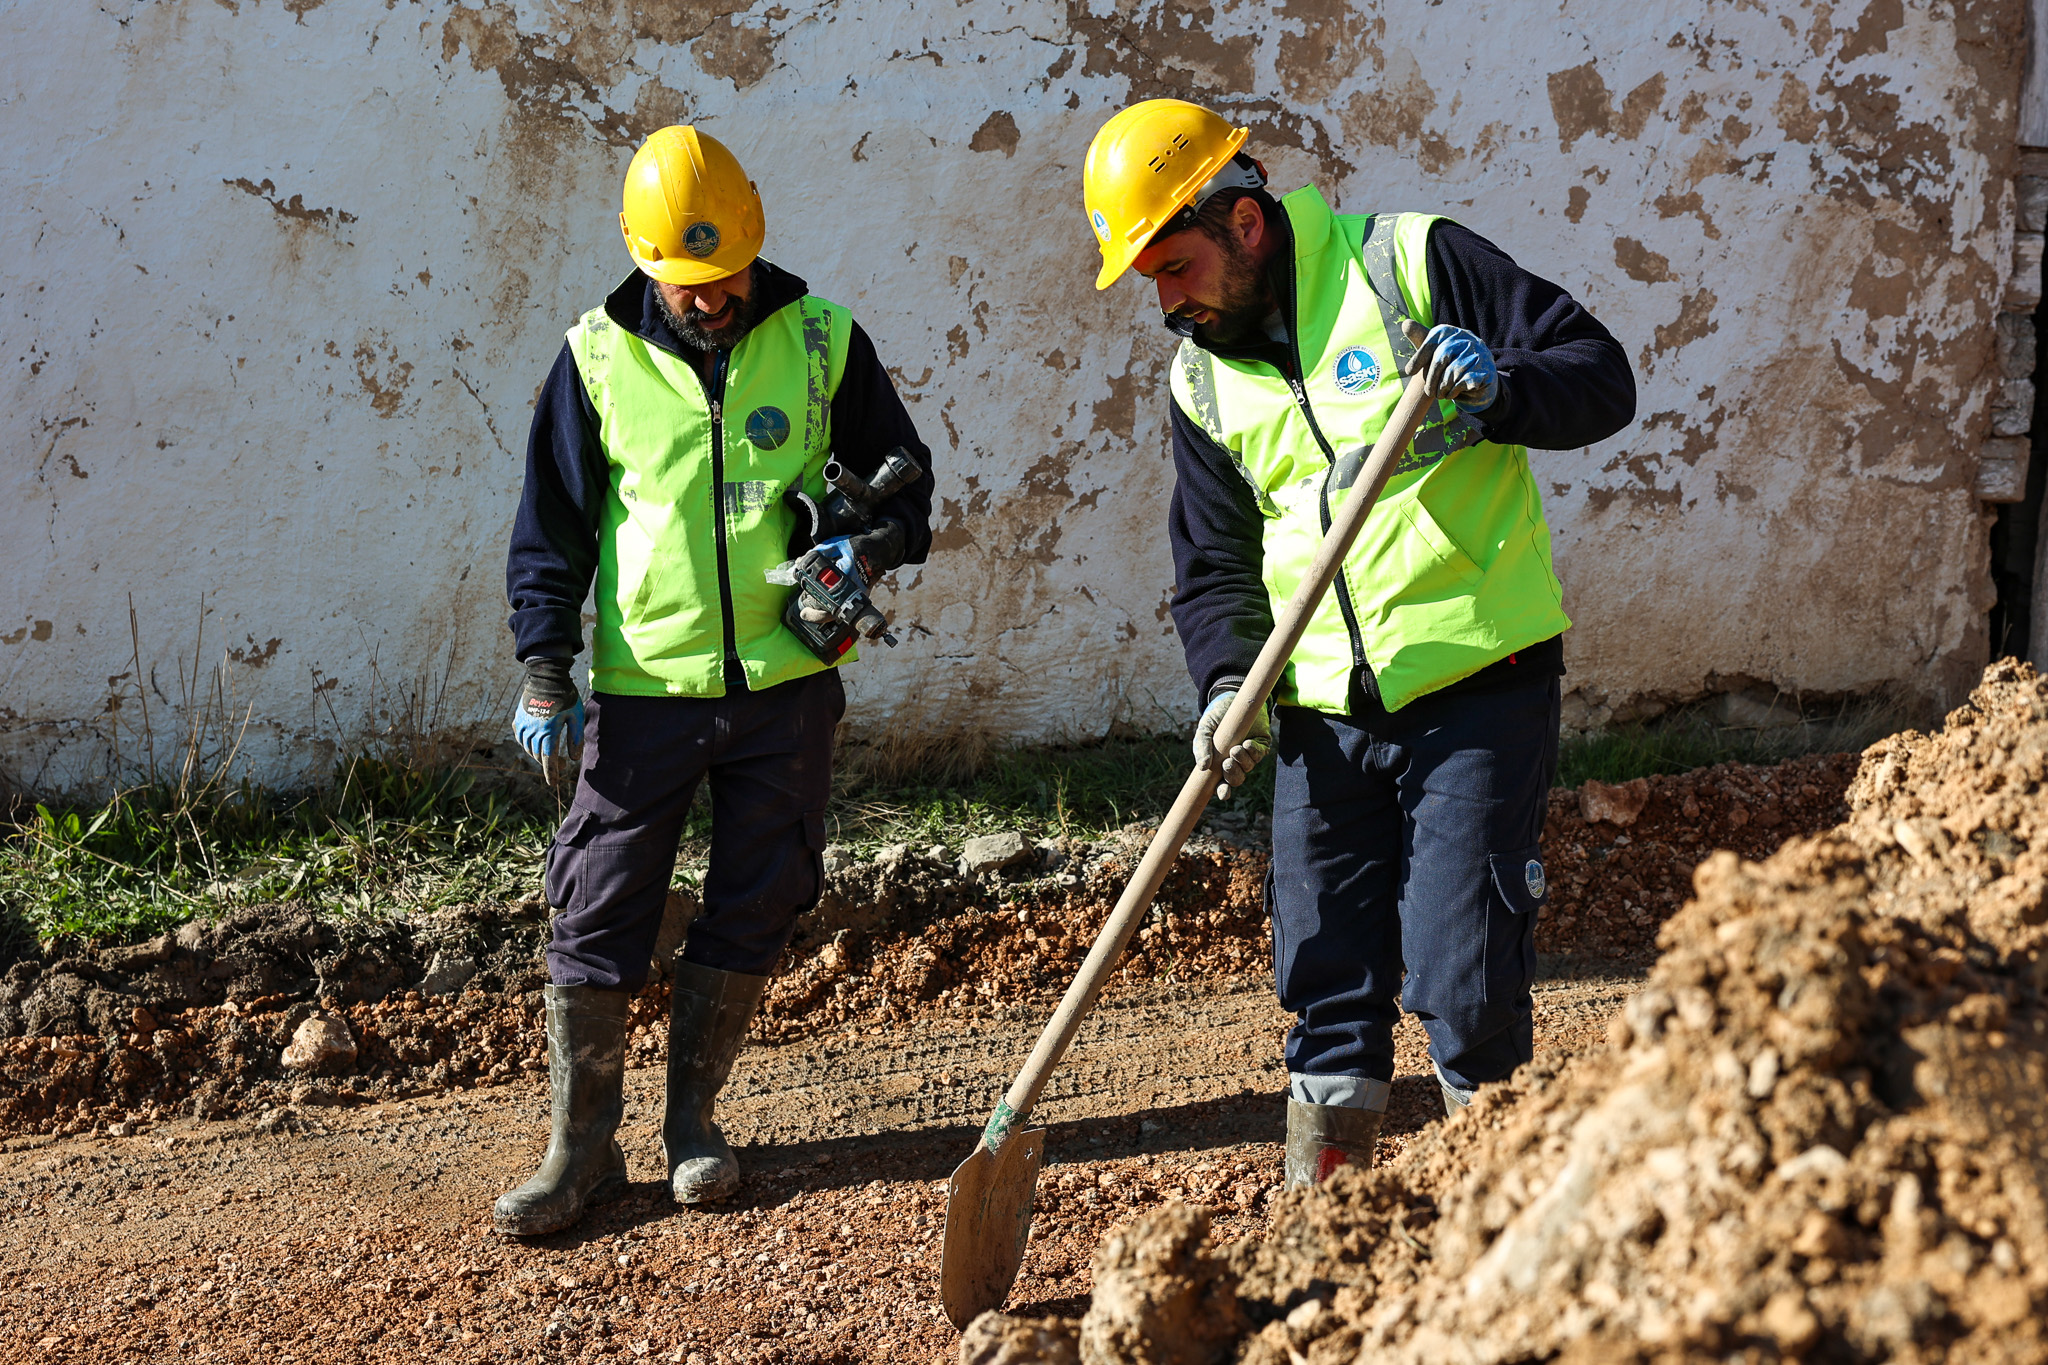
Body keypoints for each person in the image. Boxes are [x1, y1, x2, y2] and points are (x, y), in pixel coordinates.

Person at [1082, 100, 1634, 1187]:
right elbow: (1214, 566)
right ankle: (1323, 1241)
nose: (1165, 298)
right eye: (1147, 277)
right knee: (1326, 975)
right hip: (1322, 713)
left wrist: (1501, 392)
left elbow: (1600, 376)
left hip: (1478, 677)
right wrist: (1230, 683)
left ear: (1243, 223)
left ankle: (1506, 1224)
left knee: (1464, 980)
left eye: (1172, 264)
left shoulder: (1408, 265)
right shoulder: (1199, 377)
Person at [497, 124, 934, 1235]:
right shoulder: (594, 356)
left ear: (753, 242)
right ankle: (579, 1150)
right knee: (596, 906)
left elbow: (908, 493)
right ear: (646, 262)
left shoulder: (824, 339)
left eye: (729, 270)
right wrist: (547, 672)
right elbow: (551, 531)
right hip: (644, 691)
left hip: (786, 686)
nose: (714, 295)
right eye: (689, 281)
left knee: (759, 891)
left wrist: (866, 550)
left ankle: (693, 1123)